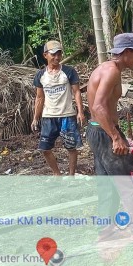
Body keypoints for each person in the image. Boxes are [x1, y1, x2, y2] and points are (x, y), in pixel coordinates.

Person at [87, 33, 133, 242]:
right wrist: (115, 137)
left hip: (96, 130)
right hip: (105, 132)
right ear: (126, 53)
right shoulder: (111, 72)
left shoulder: (104, 68)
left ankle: (106, 231)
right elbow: (98, 106)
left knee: (107, 184)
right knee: (130, 181)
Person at [32, 40, 85, 176]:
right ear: (45, 55)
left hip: (67, 115)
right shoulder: (40, 75)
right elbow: (39, 97)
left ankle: (71, 175)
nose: (57, 57)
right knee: (45, 149)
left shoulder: (68, 72)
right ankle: (57, 174)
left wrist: (80, 112)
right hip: (49, 117)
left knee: (71, 147)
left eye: (59, 54)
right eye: (53, 54)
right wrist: (35, 118)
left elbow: (76, 92)